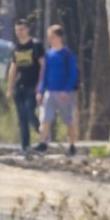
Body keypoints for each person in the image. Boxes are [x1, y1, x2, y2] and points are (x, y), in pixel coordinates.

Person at [38, 23, 79, 154]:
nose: (50, 40)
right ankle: (42, 144)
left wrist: (66, 90)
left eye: (52, 37)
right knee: (45, 118)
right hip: (49, 92)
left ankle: (72, 145)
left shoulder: (67, 54)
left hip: (64, 94)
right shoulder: (48, 54)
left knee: (68, 121)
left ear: (59, 37)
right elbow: (44, 74)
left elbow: (73, 74)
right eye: (49, 37)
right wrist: (40, 91)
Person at [7, 18, 45, 152]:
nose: (20, 32)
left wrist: (40, 85)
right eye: (17, 30)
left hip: (32, 85)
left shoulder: (36, 45)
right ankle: (25, 146)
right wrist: (10, 88)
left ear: (28, 29)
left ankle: (43, 135)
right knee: (21, 117)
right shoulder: (15, 47)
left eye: (22, 29)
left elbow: (43, 66)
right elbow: (13, 68)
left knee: (30, 112)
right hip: (20, 86)